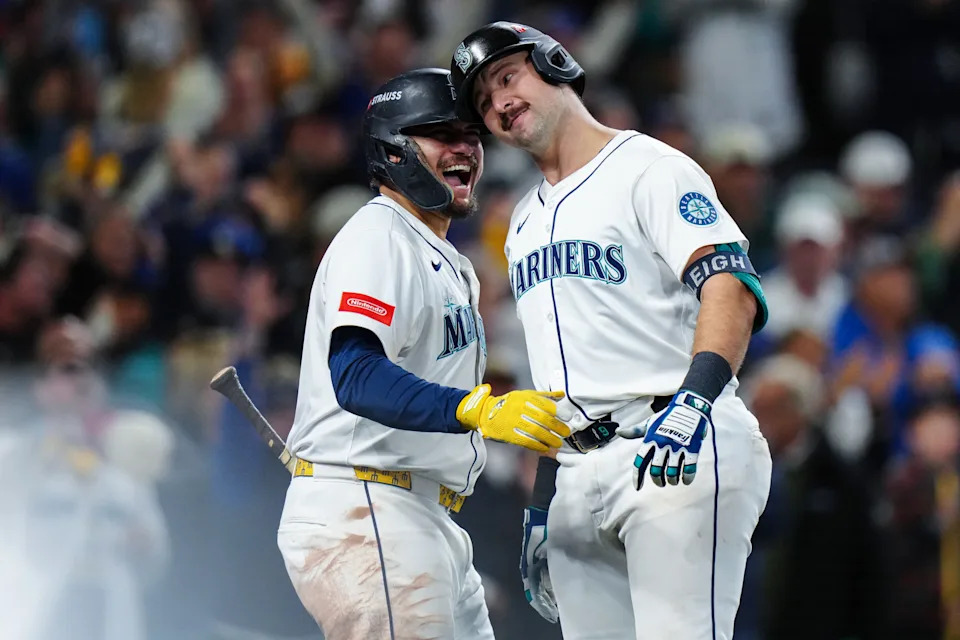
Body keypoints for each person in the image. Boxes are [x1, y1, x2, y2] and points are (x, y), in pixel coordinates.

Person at [450, 23, 772, 639]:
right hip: (577, 468)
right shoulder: (520, 222)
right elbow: (555, 380)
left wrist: (694, 403)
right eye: (485, 102)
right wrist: (543, 500)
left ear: (554, 63)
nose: (499, 104)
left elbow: (730, 287)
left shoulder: (649, 167)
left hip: (673, 442)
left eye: (507, 77)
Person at [275, 68, 572, 640]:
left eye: (471, 135)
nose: (464, 147)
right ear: (394, 149)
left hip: (420, 512)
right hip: (366, 506)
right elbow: (356, 376)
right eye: (442, 133)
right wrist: (476, 409)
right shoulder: (378, 236)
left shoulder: (442, 256)